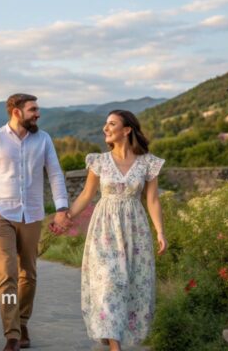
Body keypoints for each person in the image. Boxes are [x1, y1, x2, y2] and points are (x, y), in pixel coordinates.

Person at [50, 110, 166, 351]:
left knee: (131, 283)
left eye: (112, 124)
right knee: (109, 282)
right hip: (104, 230)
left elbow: (153, 200)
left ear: (127, 130)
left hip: (135, 230)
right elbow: (86, 195)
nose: (105, 128)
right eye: (105, 123)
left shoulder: (148, 163)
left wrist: (160, 232)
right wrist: (66, 217)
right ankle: (115, 345)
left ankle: (112, 331)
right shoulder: (99, 161)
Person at [0, 93, 72, 351]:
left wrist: (62, 208)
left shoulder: (44, 139)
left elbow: (55, 174)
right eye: (33, 110)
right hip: (1, 215)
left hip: (32, 214)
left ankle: (22, 321)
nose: (38, 114)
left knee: (28, 273)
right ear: (16, 112)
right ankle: (12, 335)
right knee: (7, 274)